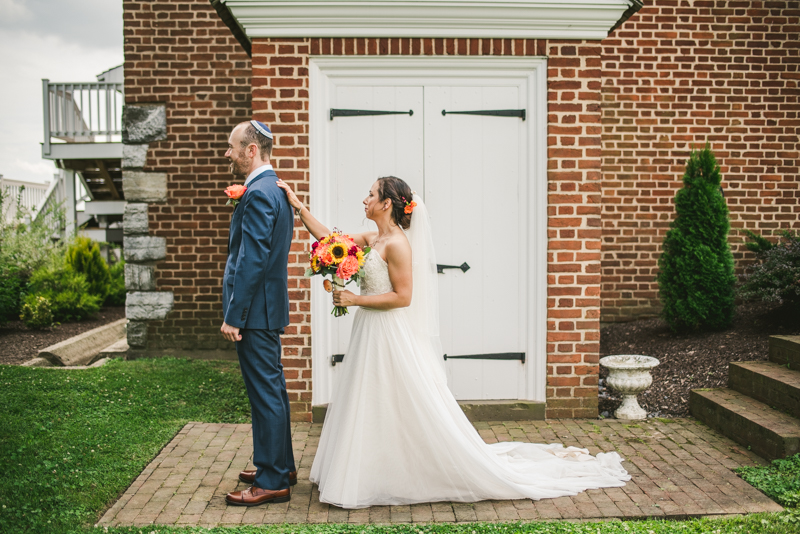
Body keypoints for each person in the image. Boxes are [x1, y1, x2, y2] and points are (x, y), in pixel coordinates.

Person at [276, 176, 630, 509]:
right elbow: (331, 243)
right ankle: (370, 468)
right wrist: (298, 206)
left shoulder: (398, 244)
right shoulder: (373, 239)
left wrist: (356, 300)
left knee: (399, 398)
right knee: (368, 398)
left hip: (388, 332)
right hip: (368, 332)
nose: (365, 199)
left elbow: (403, 298)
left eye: (371, 194)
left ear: (386, 204)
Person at [220, 120, 297, 507]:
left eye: (233, 146)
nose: (228, 153)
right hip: (266, 307)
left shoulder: (260, 193)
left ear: (252, 150)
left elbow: (251, 259)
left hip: (255, 312)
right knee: (274, 391)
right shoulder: (273, 187)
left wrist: (235, 315)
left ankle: (271, 480)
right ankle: (280, 465)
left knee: (265, 394)